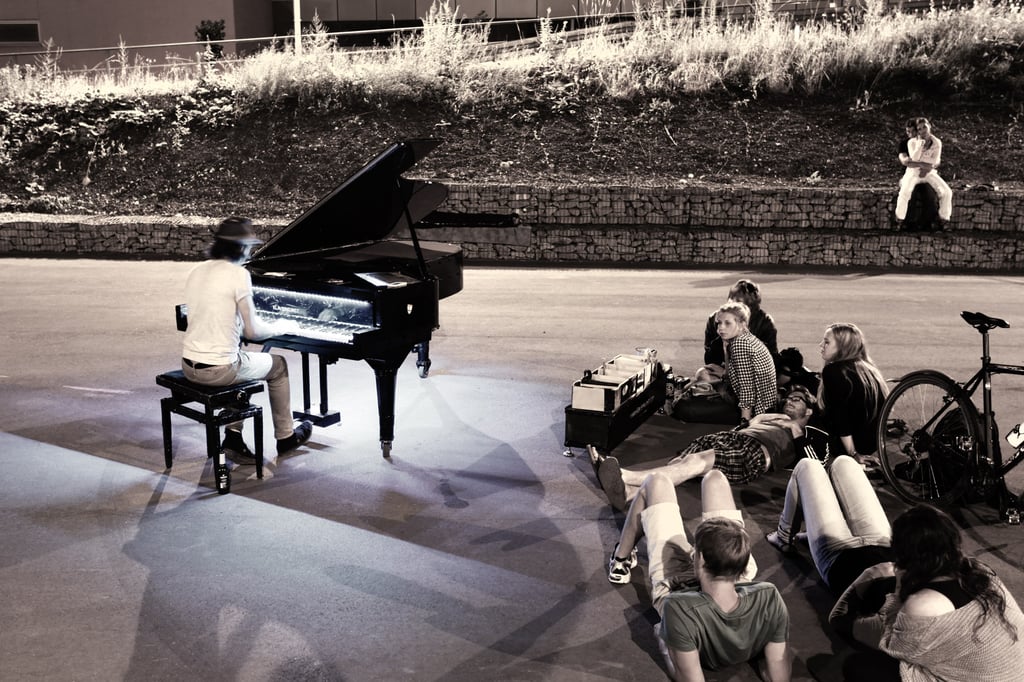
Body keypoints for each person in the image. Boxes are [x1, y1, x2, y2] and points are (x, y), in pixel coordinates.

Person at [606, 469, 791, 681]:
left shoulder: (677, 609)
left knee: (656, 481)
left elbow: (687, 677)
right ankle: (622, 556)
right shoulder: (769, 596)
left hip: (676, 583)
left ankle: (620, 557)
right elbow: (777, 675)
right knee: (715, 478)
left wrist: (664, 647)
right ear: (743, 561)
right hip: (734, 579)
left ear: (699, 558)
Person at [828, 504, 1024, 681]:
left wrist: (877, 578)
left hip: (979, 675)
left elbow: (891, 646)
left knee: (856, 666)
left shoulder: (923, 604)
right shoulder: (980, 571)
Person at [182, 216, 313, 461]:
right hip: (220, 370)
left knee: (247, 361)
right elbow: (253, 332)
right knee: (278, 365)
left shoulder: (196, 270)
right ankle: (286, 437)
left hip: (189, 366)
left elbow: (211, 313)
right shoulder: (238, 274)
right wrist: (283, 325)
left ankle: (233, 437)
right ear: (241, 248)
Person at [597, 385, 827, 512]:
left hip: (756, 451)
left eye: (797, 400)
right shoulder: (773, 417)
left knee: (693, 463)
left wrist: (797, 434)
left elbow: (815, 465)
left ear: (809, 410)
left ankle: (624, 475)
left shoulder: (812, 433)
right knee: (680, 462)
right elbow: (745, 427)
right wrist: (754, 422)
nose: (789, 401)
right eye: (789, 398)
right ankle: (630, 493)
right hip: (731, 437)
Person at [765, 455, 893, 597]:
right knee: (845, 462)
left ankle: (783, 537)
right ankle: (810, 533)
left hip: (839, 558)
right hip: (883, 544)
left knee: (807, 466)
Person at [676, 301, 777, 425]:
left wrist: (745, 422)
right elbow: (731, 376)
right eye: (719, 323)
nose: (721, 328)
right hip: (741, 396)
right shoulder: (743, 338)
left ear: (742, 324)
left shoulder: (740, 345)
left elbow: (747, 389)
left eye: (727, 323)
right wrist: (725, 349)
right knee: (697, 382)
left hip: (754, 410)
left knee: (683, 407)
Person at [816, 323, 888, 472]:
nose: (821, 345)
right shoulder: (868, 369)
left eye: (827, 342)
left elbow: (840, 417)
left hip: (850, 445)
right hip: (872, 443)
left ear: (842, 347)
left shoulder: (833, 371)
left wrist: (853, 453)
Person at [696, 279, 779, 385]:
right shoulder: (715, 319)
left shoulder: (765, 322)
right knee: (702, 374)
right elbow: (709, 359)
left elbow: (772, 358)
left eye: (747, 306)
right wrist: (724, 338)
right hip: (723, 369)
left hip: (754, 373)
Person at [895, 117, 952, 230]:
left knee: (946, 192)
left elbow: (935, 162)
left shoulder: (936, 142)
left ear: (929, 126)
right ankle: (899, 220)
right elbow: (912, 160)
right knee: (905, 192)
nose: (922, 131)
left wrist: (923, 166)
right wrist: (920, 146)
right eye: (920, 129)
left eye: (924, 127)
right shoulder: (912, 142)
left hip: (929, 172)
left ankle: (944, 220)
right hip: (913, 173)